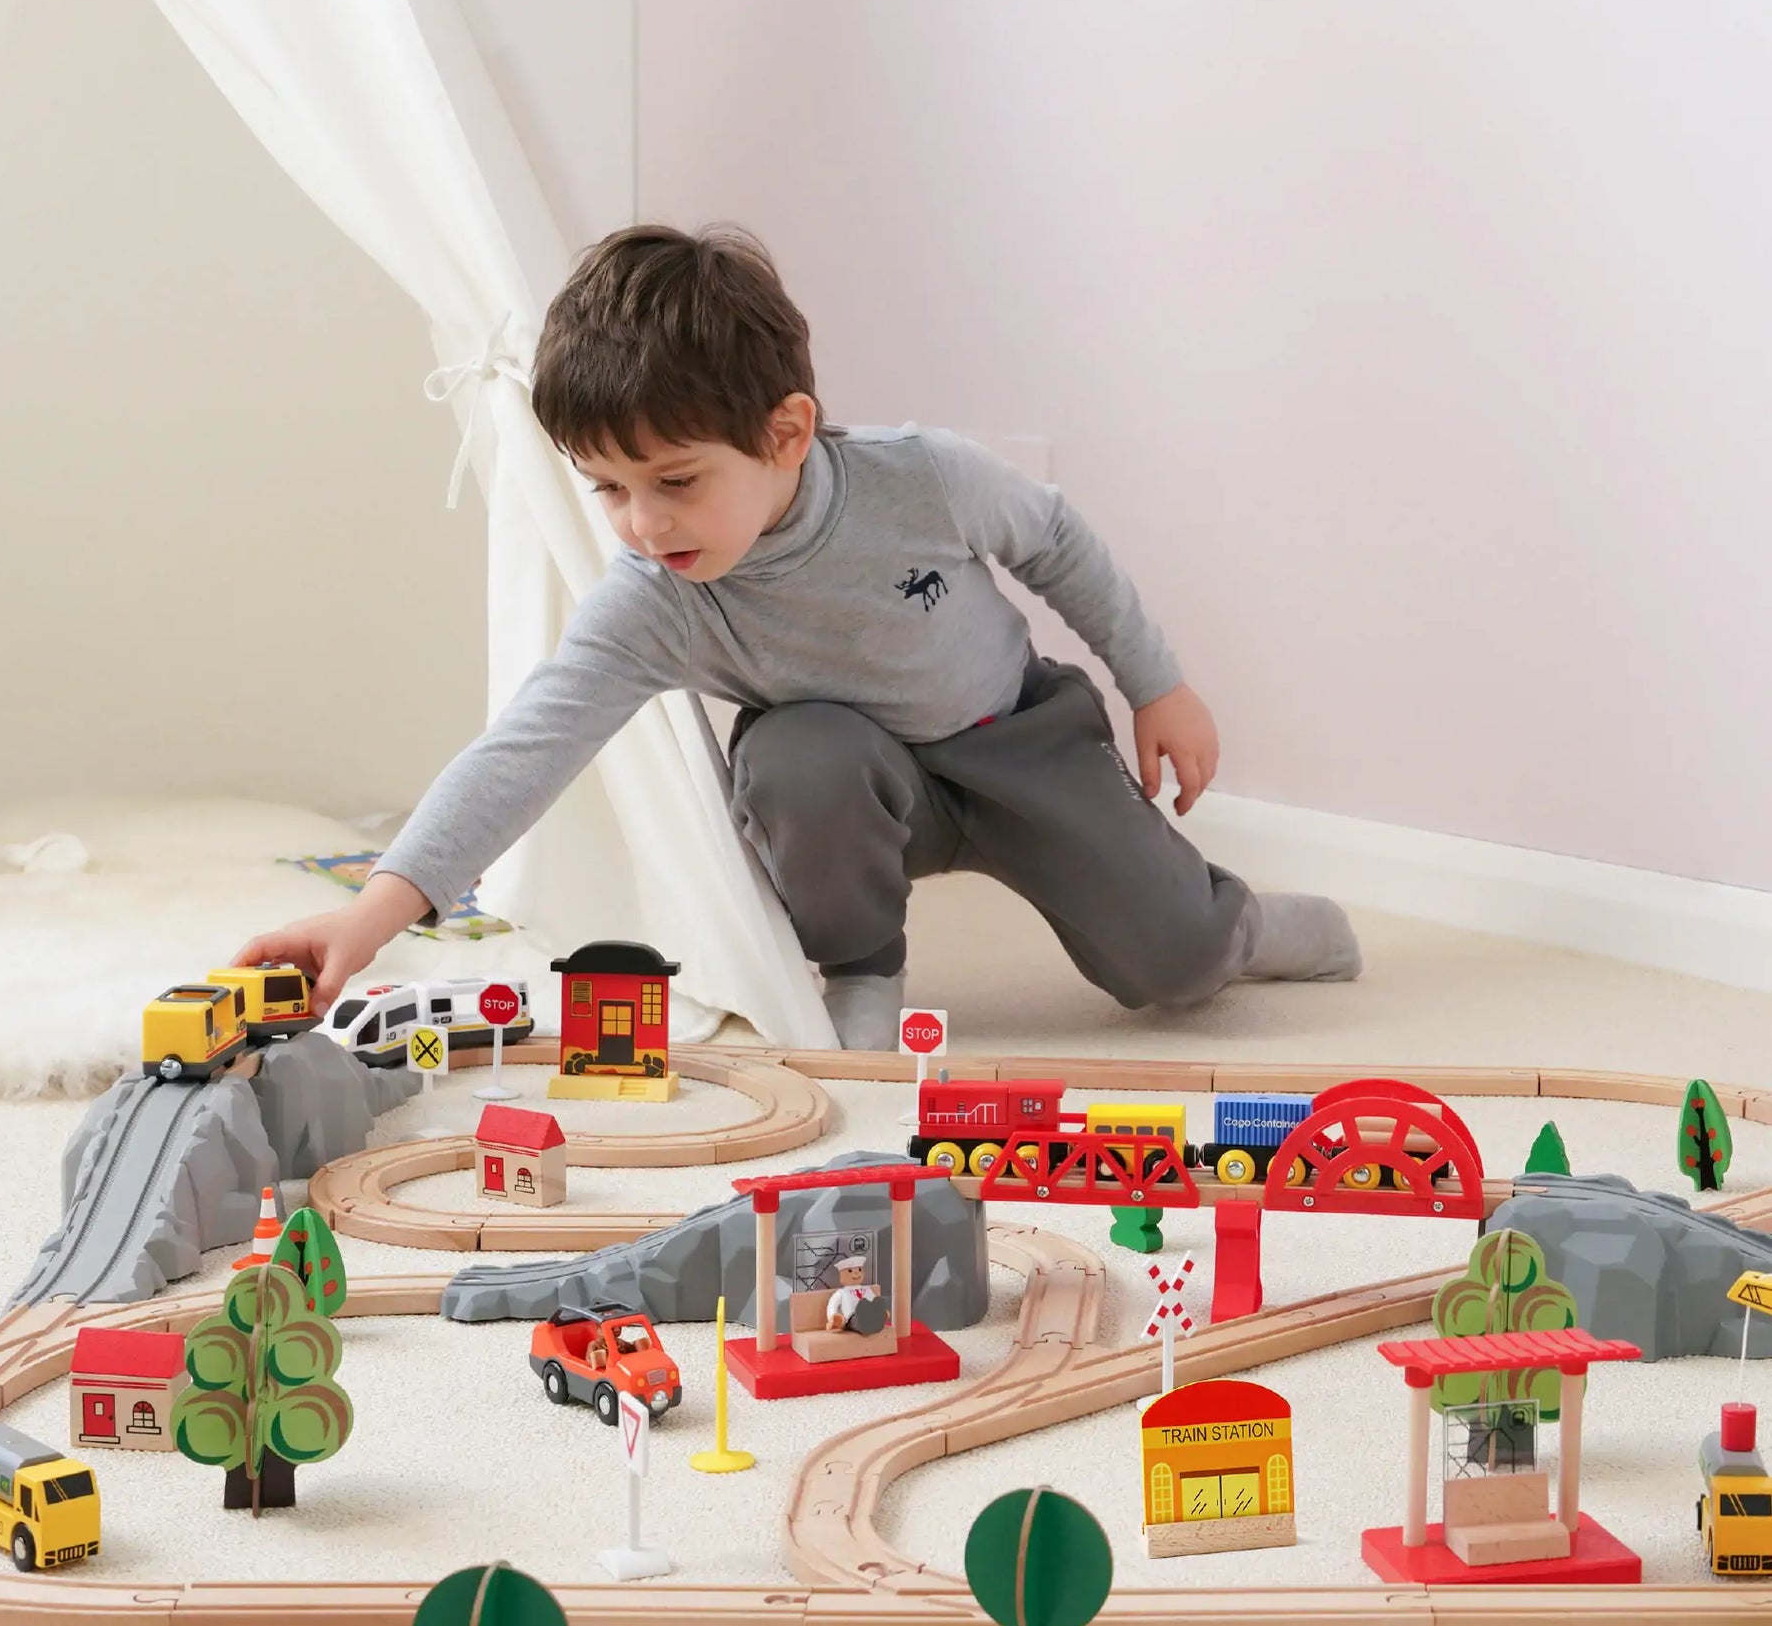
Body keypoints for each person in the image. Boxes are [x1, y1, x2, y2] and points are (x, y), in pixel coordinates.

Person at [235, 224, 1360, 1048]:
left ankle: (1240, 924)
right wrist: (374, 914)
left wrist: (1156, 682)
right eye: (607, 490)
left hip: (1016, 737)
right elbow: (523, 746)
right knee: (792, 751)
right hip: (854, 788)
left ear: (786, 433)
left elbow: (1056, 540)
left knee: (1167, 964)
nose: (642, 522)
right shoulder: (652, 595)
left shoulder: (921, 479)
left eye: (674, 481)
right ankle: (861, 970)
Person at [824, 1255, 883, 1332]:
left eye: (859, 1269)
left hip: (868, 1314)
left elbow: (874, 1301)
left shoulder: (867, 1290)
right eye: (850, 1271)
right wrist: (833, 1317)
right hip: (851, 1318)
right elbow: (832, 1305)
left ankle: (877, 1318)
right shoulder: (842, 1293)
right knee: (857, 1319)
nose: (856, 1273)